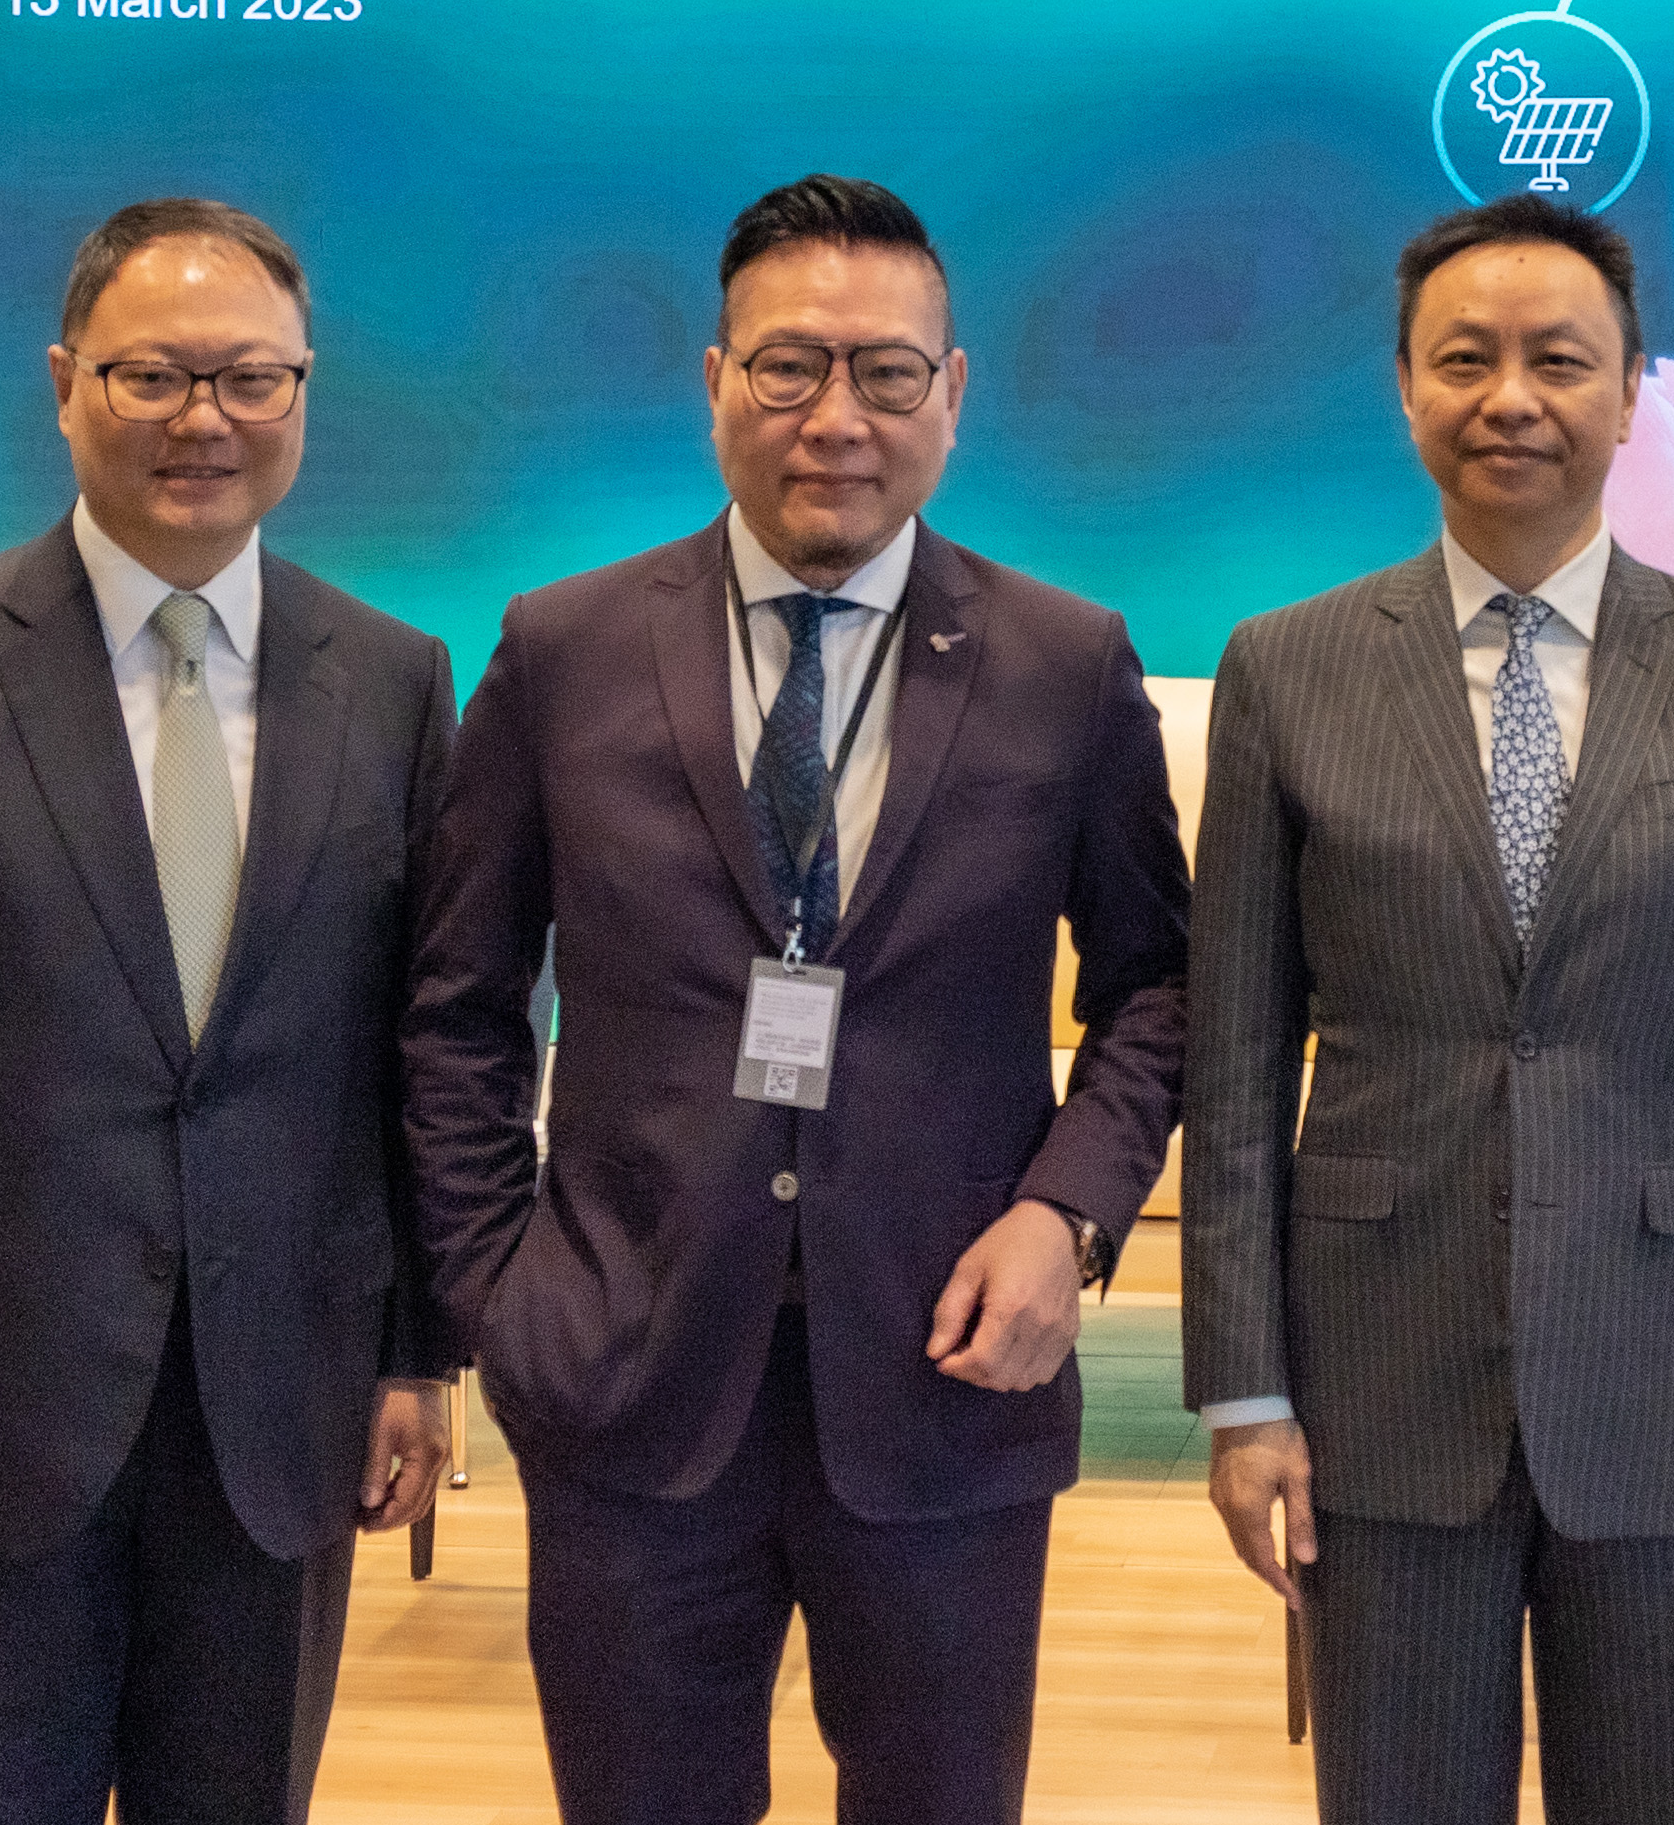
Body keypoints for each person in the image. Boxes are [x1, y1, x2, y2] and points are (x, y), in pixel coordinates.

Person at [407, 173, 1193, 1825]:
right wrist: (497, 1284)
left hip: (944, 1376)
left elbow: (1155, 991)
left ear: (951, 395)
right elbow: (458, 1001)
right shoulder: (562, 649)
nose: (835, 414)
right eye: (787, 366)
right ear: (713, 384)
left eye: (885, 371)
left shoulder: (1066, 661)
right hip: (625, 1377)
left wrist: (1067, 1215)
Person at [0, 197, 457, 1825]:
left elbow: (430, 1049)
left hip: (286, 1398)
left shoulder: (396, 677)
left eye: (247, 378)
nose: (201, 418)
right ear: (65, 381)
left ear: (303, 393)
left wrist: (422, 1349)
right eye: (152, 375)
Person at [1185, 194, 1674, 1825]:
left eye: (1559, 359)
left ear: (1631, 392)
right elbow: (1231, 1059)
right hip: (1375, 1372)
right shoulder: (1285, 668)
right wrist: (1245, 1388)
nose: (1513, 396)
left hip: (1671, 1377)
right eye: (1464, 358)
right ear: (1402, 388)